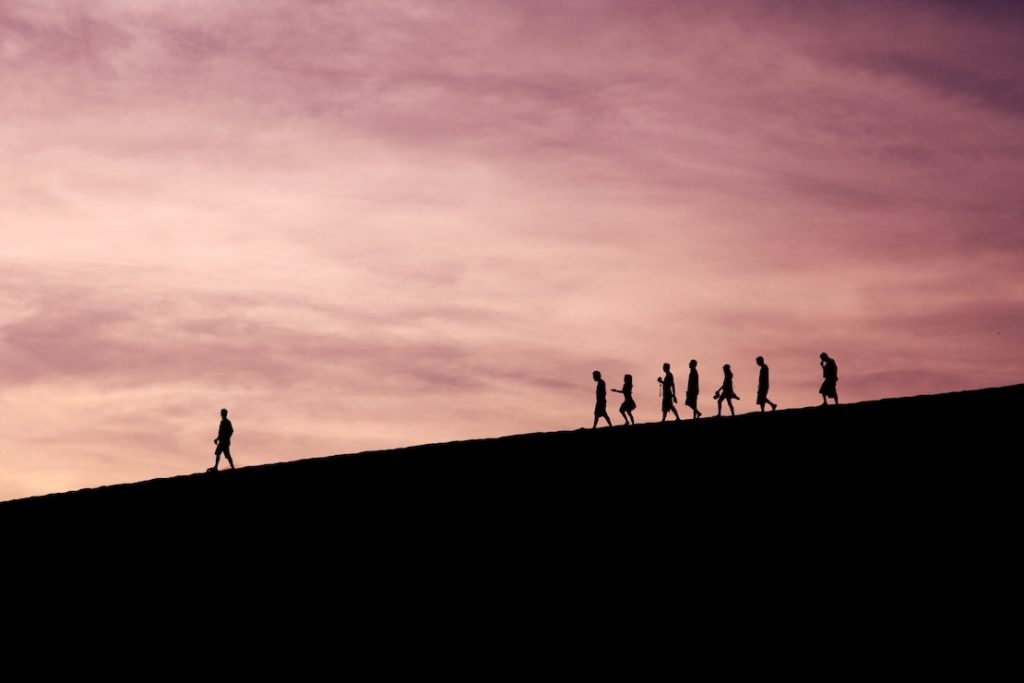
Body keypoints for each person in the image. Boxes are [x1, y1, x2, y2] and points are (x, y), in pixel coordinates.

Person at [209, 408, 236, 472]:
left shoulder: (227, 422)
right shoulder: (222, 422)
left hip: (225, 442)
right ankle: (216, 467)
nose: (223, 414)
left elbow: (231, 431)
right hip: (221, 441)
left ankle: (232, 467)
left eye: (224, 413)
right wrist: (217, 439)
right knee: (218, 453)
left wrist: (227, 438)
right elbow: (220, 433)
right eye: (222, 413)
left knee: (227, 455)